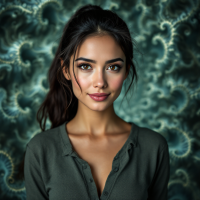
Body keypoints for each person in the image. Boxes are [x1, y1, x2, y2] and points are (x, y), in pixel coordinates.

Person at [23, 4, 170, 200]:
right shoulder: (40, 151)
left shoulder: (153, 147)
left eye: (113, 67)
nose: (100, 82)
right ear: (66, 70)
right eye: (85, 66)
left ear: (126, 70)